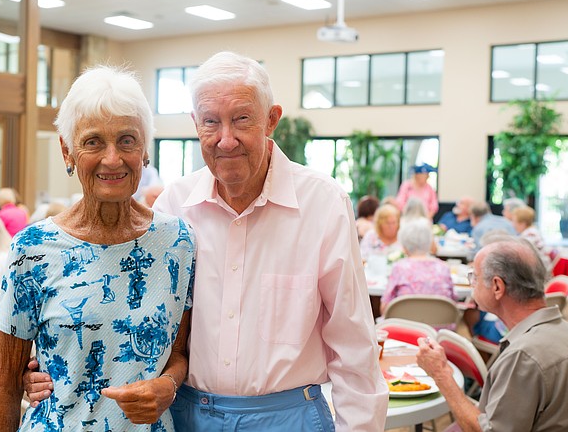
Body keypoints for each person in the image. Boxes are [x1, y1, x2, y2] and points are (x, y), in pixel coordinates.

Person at [24, 52, 387, 430]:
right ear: (196, 124)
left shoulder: (322, 204)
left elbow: (354, 347)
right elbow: (121, 316)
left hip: (288, 417)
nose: (225, 139)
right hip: (189, 415)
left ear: (271, 121)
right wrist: (43, 369)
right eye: (211, 121)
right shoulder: (173, 208)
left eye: (241, 119)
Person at [0, 66, 196, 432]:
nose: (112, 158)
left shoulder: (178, 242)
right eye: (93, 141)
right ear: (67, 151)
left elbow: (179, 353)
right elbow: (5, 381)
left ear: (145, 150)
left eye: (127, 140)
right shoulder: (33, 249)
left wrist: (169, 384)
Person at [416, 237, 568, 431]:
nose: (472, 284)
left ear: (497, 287)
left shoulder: (523, 356)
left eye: (475, 277)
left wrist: (441, 374)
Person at [380, 218, 455, 315]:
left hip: (407, 327)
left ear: (404, 244)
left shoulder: (399, 268)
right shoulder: (443, 267)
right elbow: (452, 300)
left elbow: (385, 308)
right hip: (440, 328)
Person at [511, 205, 552, 270]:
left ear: (523, 223)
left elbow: (521, 256)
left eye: (514, 221)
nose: (512, 225)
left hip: (539, 271)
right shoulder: (532, 231)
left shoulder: (530, 235)